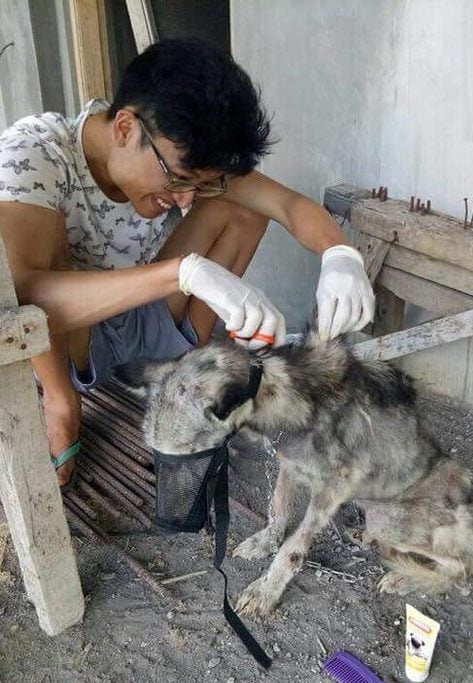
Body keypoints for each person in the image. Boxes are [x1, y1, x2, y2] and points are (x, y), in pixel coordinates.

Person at [0, 38, 374, 490]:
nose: (183, 199)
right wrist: (185, 273)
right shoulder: (37, 152)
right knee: (44, 248)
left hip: (145, 321)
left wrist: (340, 255)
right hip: (72, 338)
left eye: (198, 184)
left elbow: (288, 204)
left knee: (243, 207)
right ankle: (62, 400)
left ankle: (181, 356)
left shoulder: (183, 156)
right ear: (124, 128)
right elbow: (22, 294)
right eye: (177, 179)